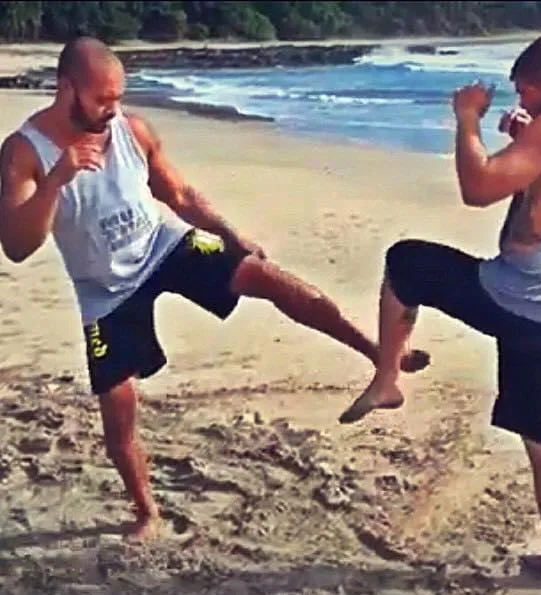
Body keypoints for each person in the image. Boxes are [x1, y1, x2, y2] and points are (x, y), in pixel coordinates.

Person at [0, 37, 428, 542]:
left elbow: (178, 194)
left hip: (163, 244)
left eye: (117, 98)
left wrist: (231, 235)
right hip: (103, 289)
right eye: (101, 100)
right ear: (65, 88)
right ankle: (146, 513)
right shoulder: (24, 152)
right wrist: (56, 180)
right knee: (118, 410)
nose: (111, 110)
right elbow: (17, 246)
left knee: (268, 277)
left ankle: (379, 356)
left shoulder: (131, 130)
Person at [340, 34, 541, 591]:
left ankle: (387, 379)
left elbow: (477, 189)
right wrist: (530, 143)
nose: (523, 104)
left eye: (528, 93)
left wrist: (467, 121)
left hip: (508, 295)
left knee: (405, 261)